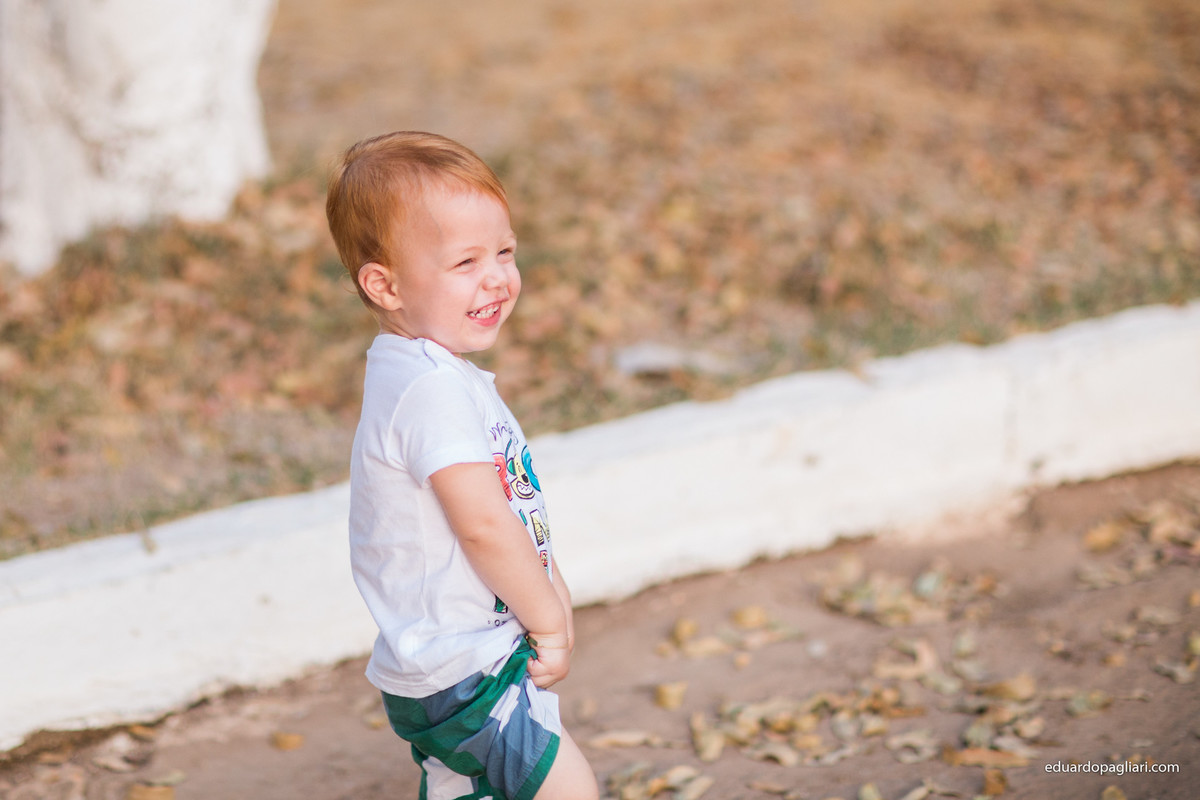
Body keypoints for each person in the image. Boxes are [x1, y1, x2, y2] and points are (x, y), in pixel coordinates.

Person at [324, 131, 599, 800]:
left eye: (504, 251)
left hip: (446, 662)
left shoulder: (421, 373)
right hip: (469, 665)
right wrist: (548, 618)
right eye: (465, 262)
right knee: (568, 791)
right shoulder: (432, 391)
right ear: (384, 285)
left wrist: (549, 582)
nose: (497, 276)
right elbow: (480, 522)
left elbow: (508, 507)